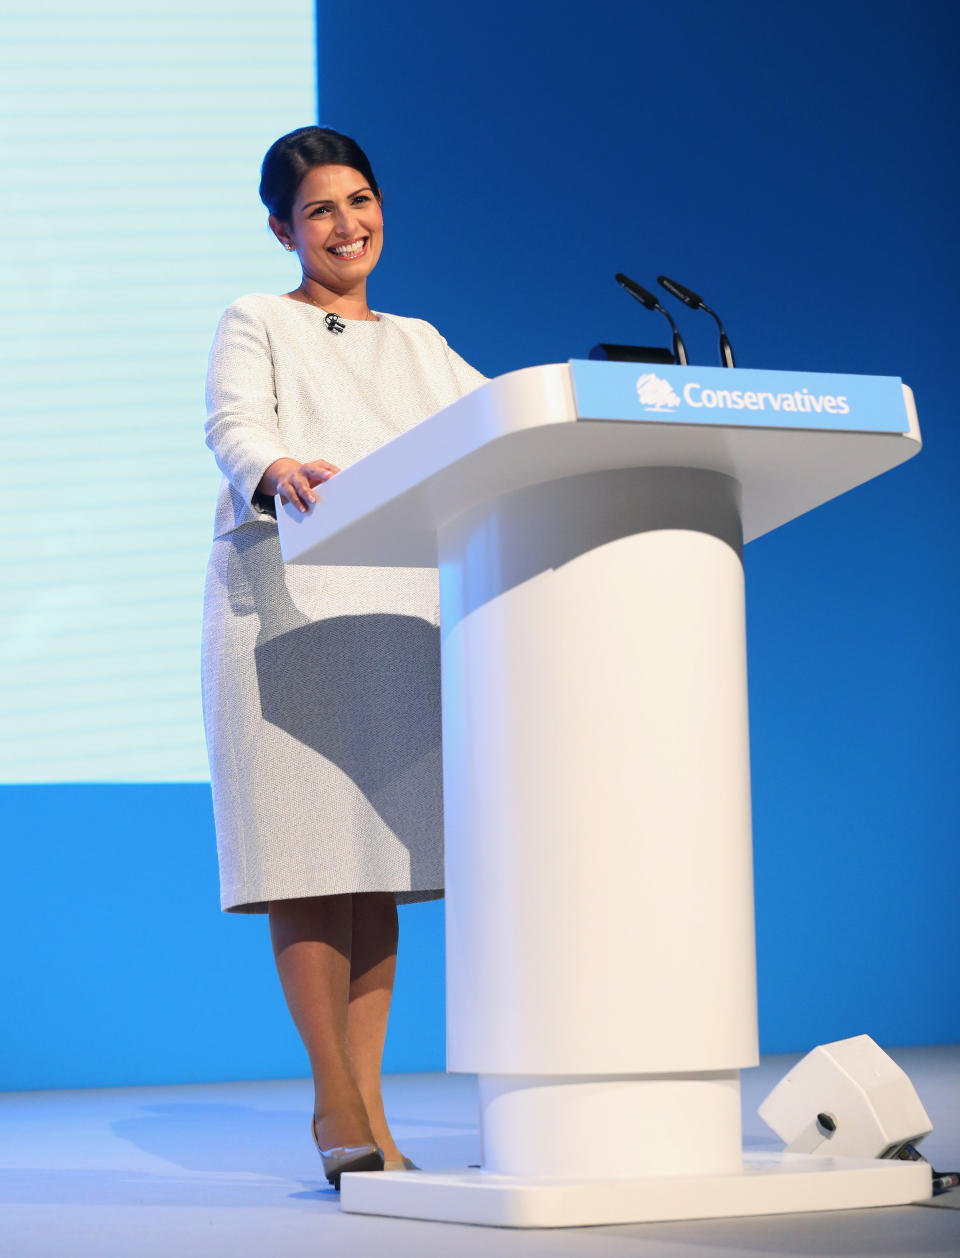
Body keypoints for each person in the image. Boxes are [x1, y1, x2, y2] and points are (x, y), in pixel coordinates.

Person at [201, 126, 486, 1189]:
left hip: (392, 625)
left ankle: (371, 1105)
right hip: (287, 616)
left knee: (375, 876)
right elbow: (233, 424)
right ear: (285, 230)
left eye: (359, 200)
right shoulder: (260, 320)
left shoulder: (418, 340)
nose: (346, 224)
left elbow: (500, 418)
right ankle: (334, 1100)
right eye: (320, 210)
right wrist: (273, 465)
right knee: (311, 868)